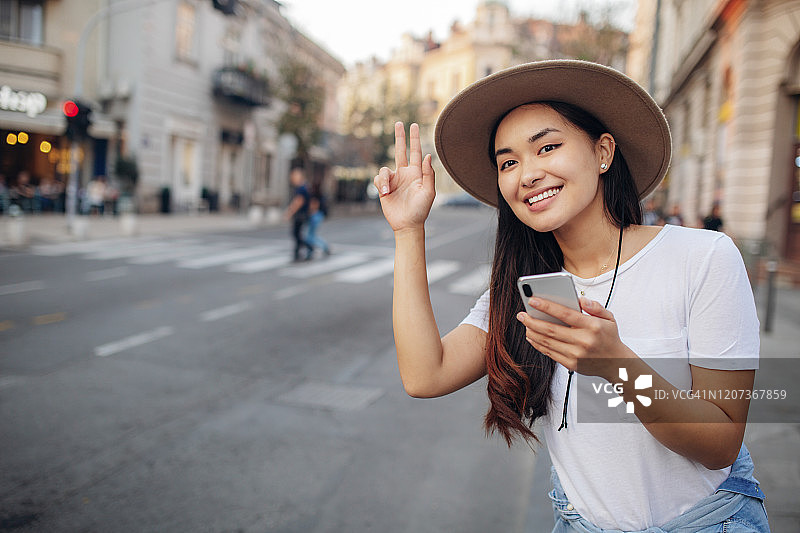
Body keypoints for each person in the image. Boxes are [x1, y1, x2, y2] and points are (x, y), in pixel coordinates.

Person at [373, 60, 767, 532]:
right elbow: (425, 374)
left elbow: (720, 443)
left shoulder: (702, 258)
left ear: (602, 152)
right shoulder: (527, 291)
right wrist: (409, 229)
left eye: (548, 147)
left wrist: (616, 365)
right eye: (508, 162)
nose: (528, 174)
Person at [284, 167, 313, 262]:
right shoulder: (304, 187)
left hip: (301, 215)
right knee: (297, 234)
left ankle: (307, 247)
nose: (292, 178)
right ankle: (299, 252)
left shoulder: (302, 188)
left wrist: (289, 212)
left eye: (294, 175)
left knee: (296, 233)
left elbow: (298, 202)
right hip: (303, 215)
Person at [306, 189, 331, 257]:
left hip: (315, 216)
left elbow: (314, 205)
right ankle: (312, 249)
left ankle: (324, 247)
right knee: (311, 235)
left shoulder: (314, 195)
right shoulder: (319, 194)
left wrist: (310, 212)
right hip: (318, 215)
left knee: (310, 237)